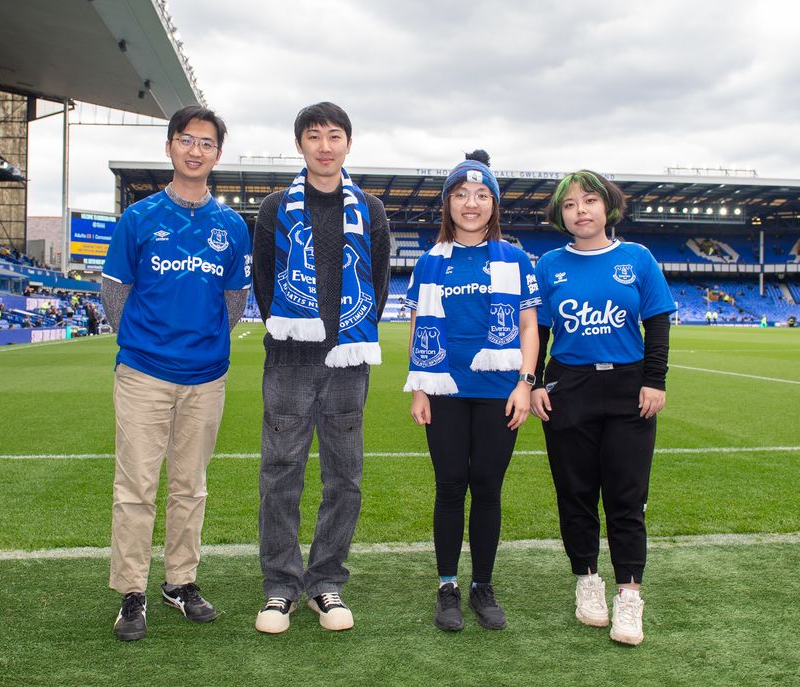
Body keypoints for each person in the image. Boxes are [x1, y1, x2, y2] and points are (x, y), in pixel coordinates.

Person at [99, 105, 252, 642]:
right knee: (136, 485)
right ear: (170, 147)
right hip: (143, 372)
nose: (195, 150)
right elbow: (113, 293)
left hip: (206, 376)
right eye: (186, 140)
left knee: (191, 485)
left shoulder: (232, 226)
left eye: (206, 143)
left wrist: (201, 344)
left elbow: (235, 299)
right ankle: (132, 591)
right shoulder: (138, 219)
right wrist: (147, 343)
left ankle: (180, 581)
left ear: (216, 154)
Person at [251, 101, 390, 634]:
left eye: (335, 135)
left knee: (344, 478)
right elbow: (265, 284)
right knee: (280, 474)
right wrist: (298, 332)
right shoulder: (272, 208)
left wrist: (345, 334)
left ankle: (326, 581)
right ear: (300, 145)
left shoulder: (370, 210)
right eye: (314, 136)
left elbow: (376, 284)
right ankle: (280, 587)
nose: (325, 145)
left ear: (348, 144)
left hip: (348, 359)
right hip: (290, 359)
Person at [529, 170, 677, 647]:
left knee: (626, 499)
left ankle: (630, 596)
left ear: (608, 207)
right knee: (575, 495)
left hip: (629, 388)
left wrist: (655, 380)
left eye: (589, 201)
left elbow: (657, 325)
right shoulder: (549, 264)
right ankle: (587, 582)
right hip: (568, 387)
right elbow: (541, 332)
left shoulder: (637, 258)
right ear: (560, 215)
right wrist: (533, 383)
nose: (580, 211)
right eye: (570, 205)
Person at [405, 151, 540, 632]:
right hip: (443, 388)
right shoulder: (429, 262)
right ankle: (447, 586)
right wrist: (419, 388)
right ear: (448, 203)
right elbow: (419, 325)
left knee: (486, 487)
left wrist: (526, 384)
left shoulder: (515, 258)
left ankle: (482, 584)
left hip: (498, 390)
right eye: (461, 194)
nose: (471, 203)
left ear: (494, 205)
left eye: (482, 195)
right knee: (448, 487)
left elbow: (528, 326)